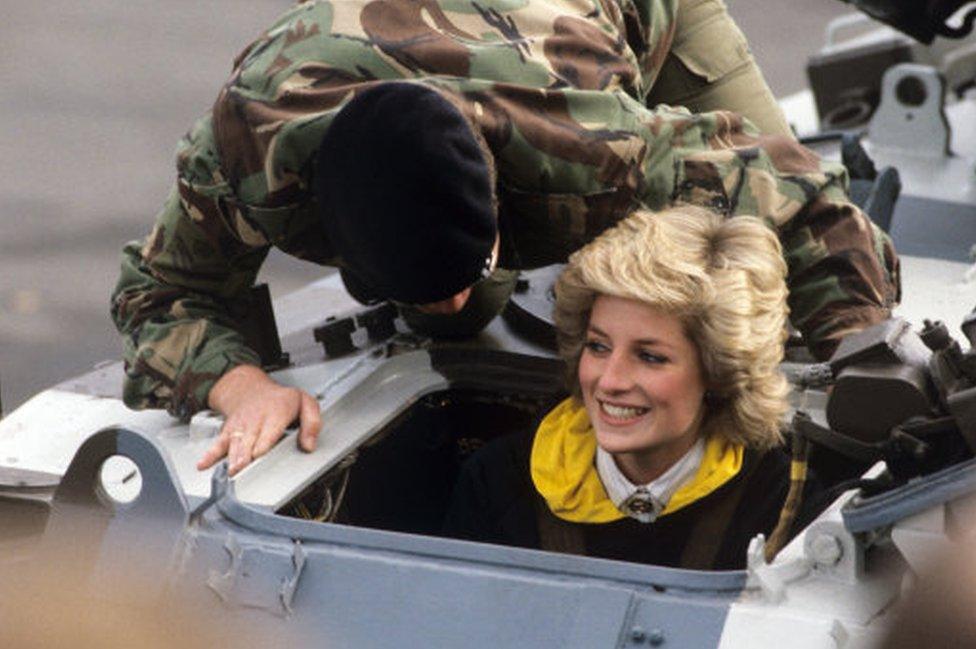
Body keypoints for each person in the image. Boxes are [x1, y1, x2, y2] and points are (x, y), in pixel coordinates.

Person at [111, 0, 899, 476]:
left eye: (468, 271)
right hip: (383, 48)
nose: (453, 302)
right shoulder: (248, 147)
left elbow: (803, 198)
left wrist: (866, 367)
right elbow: (155, 292)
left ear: (502, 198)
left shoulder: (590, 142)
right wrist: (238, 383)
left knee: (765, 263)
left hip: (612, 21)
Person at [442, 205, 819, 569]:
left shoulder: (783, 503)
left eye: (650, 357)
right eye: (598, 346)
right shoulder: (498, 484)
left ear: (719, 372)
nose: (609, 381)